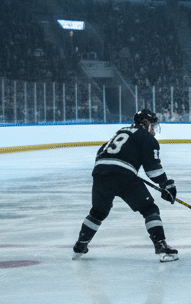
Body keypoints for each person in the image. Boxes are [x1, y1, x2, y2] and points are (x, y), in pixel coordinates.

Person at [72, 109, 179, 262]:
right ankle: (161, 246)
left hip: (100, 173)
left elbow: (102, 151)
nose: (154, 130)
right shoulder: (146, 137)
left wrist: (114, 169)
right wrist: (166, 185)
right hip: (123, 176)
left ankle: (80, 245)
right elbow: (152, 168)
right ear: (146, 123)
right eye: (153, 125)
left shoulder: (121, 131)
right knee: (149, 209)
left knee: (97, 212)